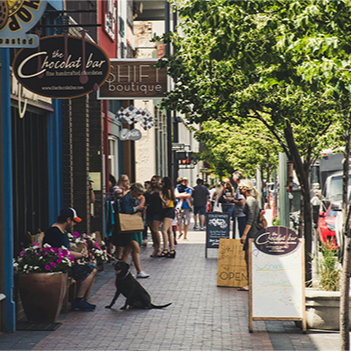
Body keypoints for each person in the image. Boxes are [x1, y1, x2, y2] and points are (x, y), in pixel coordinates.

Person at [43, 208, 98, 311]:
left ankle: (82, 299)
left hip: (65, 262)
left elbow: (66, 245)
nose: (74, 224)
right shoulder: (54, 232)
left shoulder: (61, 231)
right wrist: (81, 255)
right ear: (68, 220)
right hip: (57, 264)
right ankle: (79, 300)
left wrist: (81, 245)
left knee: (91, 265)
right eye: (73, 221)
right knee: (92, 268)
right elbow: (61, 252)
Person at [121, 183, 149, 278]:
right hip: (130, 226)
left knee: (127, 250)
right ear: (133, 191)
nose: (139, 196)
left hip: (133, 225)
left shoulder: (133, 198)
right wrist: (137, 208)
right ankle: (139, 271)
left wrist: (141, 209)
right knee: (136, 249)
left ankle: (123, 271)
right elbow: (126, 210)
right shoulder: (127, 198)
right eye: (138, 193)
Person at [238, 179, 260, 291]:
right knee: (248, 258)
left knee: (249, 258)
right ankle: (250, 282)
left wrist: (244, 234)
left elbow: (251, 219)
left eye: (241, 186)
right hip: (251, 232)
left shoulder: (250, 201)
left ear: (246, 188)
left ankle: (250, 283)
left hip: (252, 233)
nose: (239, 188)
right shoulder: (250, 200)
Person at [144, 175, 163, 257]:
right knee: (152, 230)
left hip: (158, 212)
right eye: (152, 180)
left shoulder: (161, 190)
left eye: (155, 180)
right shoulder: (148, 191)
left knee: (155, 229)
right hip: (149, 212)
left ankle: (159, 248)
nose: (153, 182)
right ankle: (155, 248)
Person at [158, 176, 176, 258]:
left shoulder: (168, 191)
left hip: (168, 211)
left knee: (163, 230)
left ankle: (165, 249)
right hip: (168, 211)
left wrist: (161, 197)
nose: (161, 183)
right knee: (169, 231)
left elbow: (166, 203)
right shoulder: (168, 191)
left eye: (162, 181)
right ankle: (172, 249)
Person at [232, 171, 246, 239]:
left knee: (242, 233)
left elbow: (242, 202)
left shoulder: (240, 187)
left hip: (241, 214)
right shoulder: (244, 185)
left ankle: (244, 248)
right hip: (243, 214)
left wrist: (232, 200)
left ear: (235, 179)